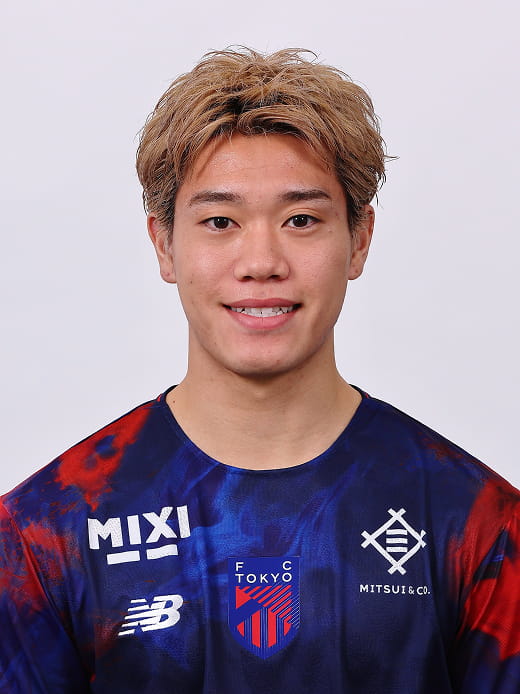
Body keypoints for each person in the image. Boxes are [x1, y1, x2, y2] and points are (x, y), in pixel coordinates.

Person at [0, 47, 518, 694]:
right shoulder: (44, 532)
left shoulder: (478, 522)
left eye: (302, 220)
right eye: (220, 221)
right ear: (164, 243)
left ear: (359, 240)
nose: (262, 262)